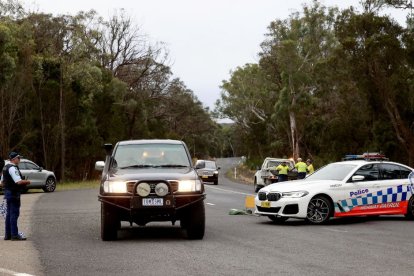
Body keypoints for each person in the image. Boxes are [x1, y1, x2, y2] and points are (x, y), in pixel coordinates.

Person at [2, 152, 30, 241]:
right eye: (18, 158)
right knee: (14, 214)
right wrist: (27, 182)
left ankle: (8, 235)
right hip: (14, 194)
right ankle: (14, 235)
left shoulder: (5, 167)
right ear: (14, 159)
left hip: (8, 193)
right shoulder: (13, 168)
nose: (19, 159)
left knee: (9, 215)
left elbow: (2, 183)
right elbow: (18, 182)